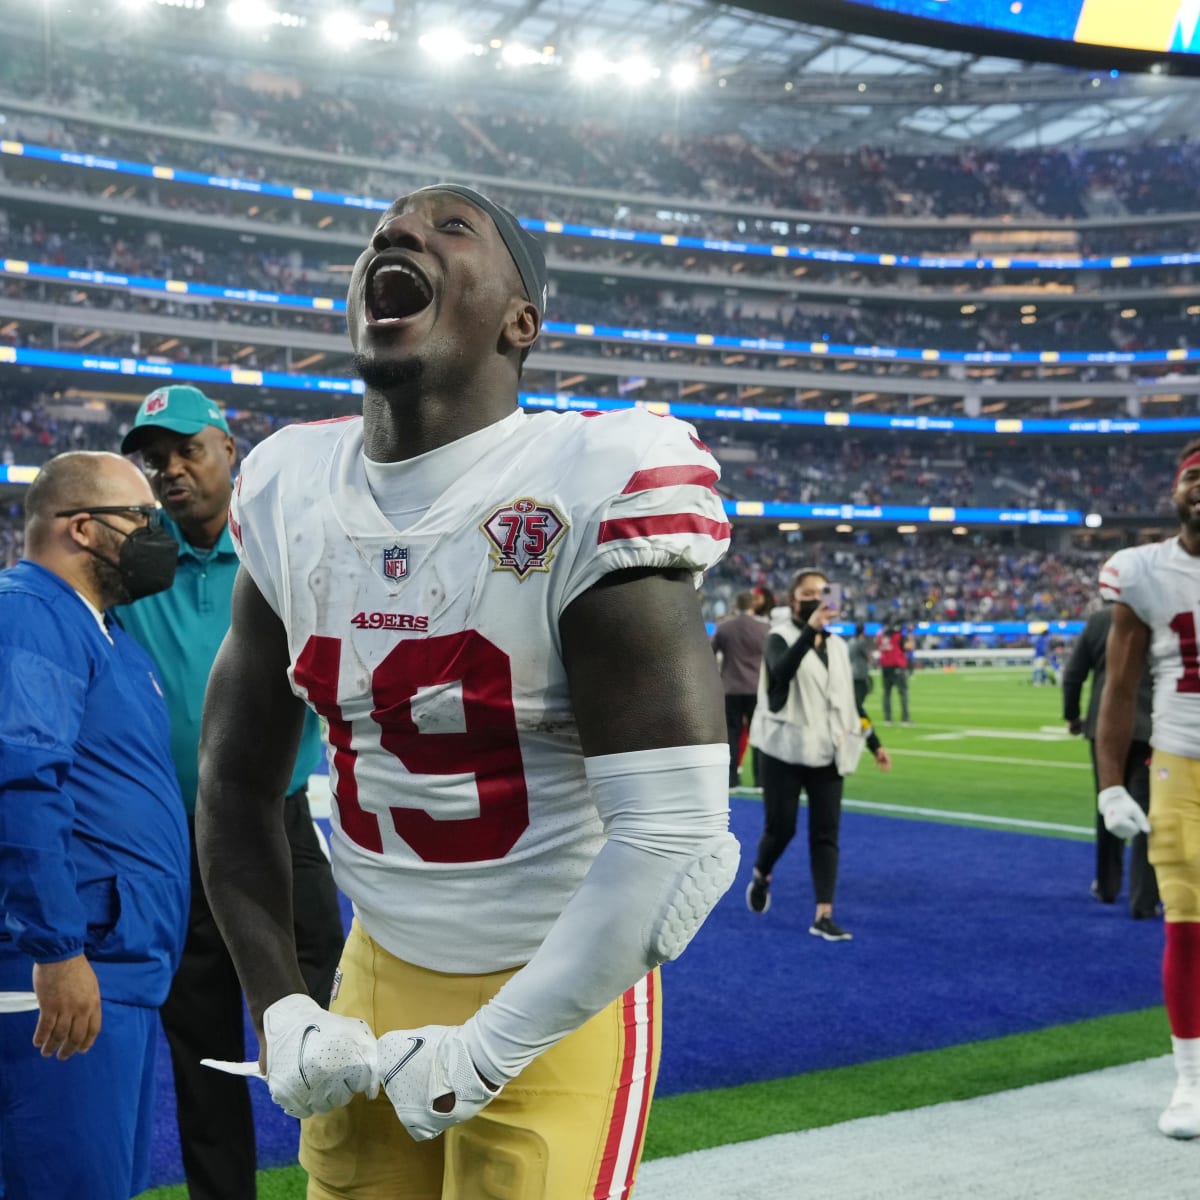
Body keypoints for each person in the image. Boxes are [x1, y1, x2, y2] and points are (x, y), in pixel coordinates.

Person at [195, 182, 739, 1200]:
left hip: (556, 993)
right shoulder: (287, 487)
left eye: (453, 228)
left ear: (521, 323)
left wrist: (492, 1047)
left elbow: (676, 844)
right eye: (389, 230)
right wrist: (283, 1005)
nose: (397, 234)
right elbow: (232, 790)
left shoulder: (593, 478)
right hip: (375, 964)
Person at [115, 384, 345, 1200]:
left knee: (332, 1031)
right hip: (172, 842)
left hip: (277, 827)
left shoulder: (278, 551)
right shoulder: (133, 567)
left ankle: (354, 1181)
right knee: (203, 1051)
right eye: (154, 459)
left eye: (186, 450)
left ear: (227, 450)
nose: (170, 470)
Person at [0, 451, 188, 1199]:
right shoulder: (30, 611)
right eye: (143, 519)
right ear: (82, 528)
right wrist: (56, 947)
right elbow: (19, 782)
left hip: (117, 965)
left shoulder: (108, 636)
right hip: (63, 969)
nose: (158, 536)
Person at [1096, 438, 1200, 1140]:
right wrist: (1109, 785)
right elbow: (1121, 686)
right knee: (1186, 918)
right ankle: (1192, 1078)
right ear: (1175, 492)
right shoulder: (1145, 572)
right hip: (1181, 761)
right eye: (1195, 477)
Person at [746, 569, 891, 941]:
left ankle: (823, 914)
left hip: (829, 750)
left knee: (826, 834)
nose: (817, 597)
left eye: (823, 591)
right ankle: (762, 874)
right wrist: (810, 629)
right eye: (808, 592)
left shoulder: (839, 647)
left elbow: (849, 701)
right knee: (782, 828)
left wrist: (874, 743)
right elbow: (780, 673)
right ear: (794, 600)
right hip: (785, 751)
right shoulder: (779, 637)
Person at [1062, 605, 1158, 918]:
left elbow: (1074, 673)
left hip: (1104, 728)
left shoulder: (1100, 619)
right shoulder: (1159, 613)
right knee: (1148, 812)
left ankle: (1107, 887)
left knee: (1109, 803)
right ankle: (1144, 899)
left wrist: (1072, 715)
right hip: (1151, 727)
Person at [712, 589, 767, 788]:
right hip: (756, 688)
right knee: (759, 736)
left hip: (731, 688)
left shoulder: (725, 628)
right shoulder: (764, 628)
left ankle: (731, 780)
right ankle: (760, 781)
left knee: (732, 735)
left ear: (737, 604)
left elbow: (712, 652)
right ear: (753, 604)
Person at [877, 620, 912, 724]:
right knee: (903, 692)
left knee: (887, 693)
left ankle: (888, 718)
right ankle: (905, 718)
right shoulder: (898, 635)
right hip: (897, 665)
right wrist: (910, 635)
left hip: (885, 666)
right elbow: (908, 647)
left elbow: (879, 647)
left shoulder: (881, 635)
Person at [848, 621, 873, 710]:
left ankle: (855, 707)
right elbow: (868, 657)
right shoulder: (861, 642)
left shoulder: (850, 641)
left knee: (855, 691)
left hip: (852, 670)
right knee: (863, 691)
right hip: (860, 672)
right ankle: (857, 708)